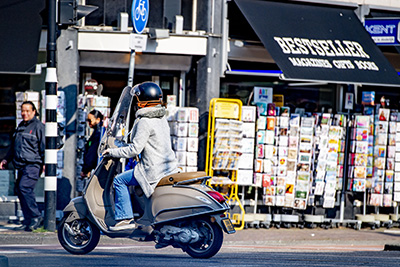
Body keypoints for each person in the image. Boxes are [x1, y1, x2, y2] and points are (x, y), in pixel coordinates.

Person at [103, 82, 178, 231]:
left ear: (143, 100)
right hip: (166, 168)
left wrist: (111, 152)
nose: (136, 102)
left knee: (119, 181)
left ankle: (125, 219)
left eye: (137, 98)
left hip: (152, 170)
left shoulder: (145, 121)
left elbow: (134, 150)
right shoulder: (161, 118)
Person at [0, 101, 45, 231]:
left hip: (33, 164)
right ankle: (28, 220)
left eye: (27, 111)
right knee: (20, 190)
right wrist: (6, 160)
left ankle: (36, 217)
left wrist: (45, 163)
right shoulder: (21, 126)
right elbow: (13, 147)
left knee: (24, 187)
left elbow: (44, 146)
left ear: (34, 111)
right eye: (22, 111)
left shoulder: (38, 127)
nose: (24, 113)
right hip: (21, 165)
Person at [80, 109, 103, 178]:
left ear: (98, 120)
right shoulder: (99, 132)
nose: (89, 123)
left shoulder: (98, 134)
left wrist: (86, 169)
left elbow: (92, 153)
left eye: (90, 120)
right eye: (87, 120)